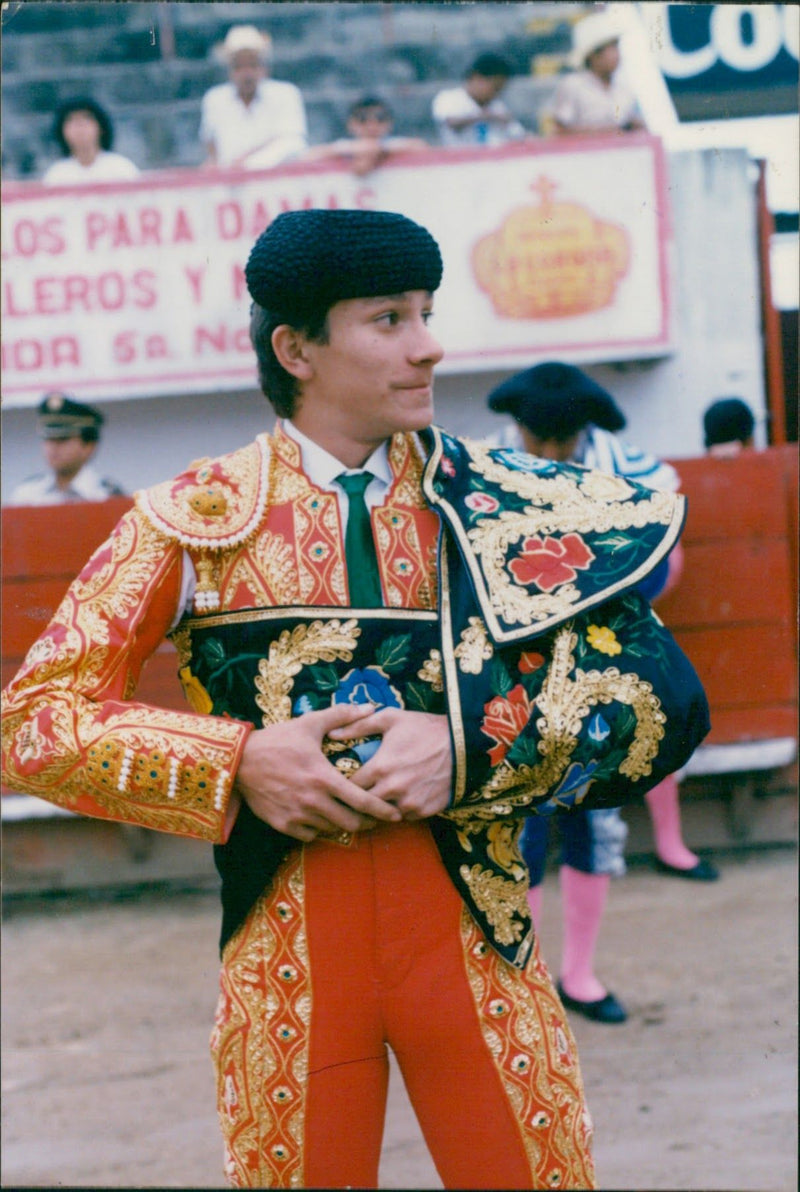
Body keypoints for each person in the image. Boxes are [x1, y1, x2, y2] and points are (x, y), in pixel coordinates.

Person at [2, 210, 709, 1189]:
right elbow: (35, 720)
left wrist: (467, 748)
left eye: (425, 311)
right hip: (285, 953)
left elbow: (659, 695)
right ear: (296, 347)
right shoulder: (197, 519)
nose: (428, 342)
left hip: (474, 941)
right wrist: (238, 760)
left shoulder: (508, 499)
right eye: (388, 319)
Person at [488, 361, 718, 1025]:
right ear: (520, 428)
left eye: (564, 440)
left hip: (602, 673)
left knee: (594, 818)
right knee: (519, 826)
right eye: (542, 440)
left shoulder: (629, 471)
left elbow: (659, 558)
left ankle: (580, 974)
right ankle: (526, 977)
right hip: (517, 677)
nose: (554, 453)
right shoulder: (484, 466)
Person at [200, 24, 307, 169]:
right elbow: (212, 148)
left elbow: (293, 143)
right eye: (239, 66)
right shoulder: (214, 99)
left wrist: (248, 162)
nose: (247, 73)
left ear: (264, 68)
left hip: (278, 180)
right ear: (230, 70)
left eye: (252, 65)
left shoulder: (285, 94)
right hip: (232, 184)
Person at [8, 392, 125, 505]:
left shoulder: (107, 496)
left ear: (89, 446)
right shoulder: (26, 495)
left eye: (63, 439)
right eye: (49, 438)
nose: (53, 447)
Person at [546, 11, 645, 137]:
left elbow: (631, 126)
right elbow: (559, 132)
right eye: (611, 48)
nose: (617, 54)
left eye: (617, 46)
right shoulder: (573, 85)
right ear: (594, 55)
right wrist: (607, 132)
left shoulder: (623, 88)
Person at [303, 94, 428, 176]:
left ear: (390, 123)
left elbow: (423, 148)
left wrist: (378, 149)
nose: (371, 125)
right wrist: (351, 149)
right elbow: (307, 157)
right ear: (350, 124)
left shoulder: (397, 144)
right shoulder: (343, 147)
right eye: (362, 119)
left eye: (380, 118)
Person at [432, 52, 528, 147]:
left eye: (500, 90)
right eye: (495, 88)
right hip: (458, 158)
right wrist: (485, 116)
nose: (496, 94)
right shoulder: (449, 98)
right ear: (476, 78)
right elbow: (452, 123)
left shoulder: (497, 105)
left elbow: (520, 135)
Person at [42, 97, 139, 185]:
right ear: (61, 131)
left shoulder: (121, 169)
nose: (80, 126)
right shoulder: (56, 176)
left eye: (86, 118)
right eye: (71, 120)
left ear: (101, 127)